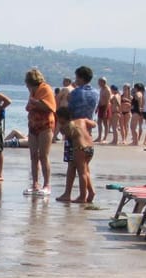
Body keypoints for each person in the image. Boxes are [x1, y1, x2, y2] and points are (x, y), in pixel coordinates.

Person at [58, 66, 99, 202]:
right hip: (87, 132)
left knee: (72, 165)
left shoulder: (75, 93)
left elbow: (69, 109)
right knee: (84, 167)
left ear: (80, 78)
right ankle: (91, 192)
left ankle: (69, 193)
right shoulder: (95, 93)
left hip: (74, 132)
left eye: (77, 78)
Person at [23, 68, 56, 196]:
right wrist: (33, 103)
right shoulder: (32, 91)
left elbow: (50, 107)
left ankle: (47, 184)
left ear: (30, 81)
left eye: (26, 83)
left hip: (45, 125)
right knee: (33, 155)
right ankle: (35, 183)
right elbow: (28, 106)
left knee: (43, 155)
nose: (26, 85)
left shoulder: (45, 89)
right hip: (33, 125)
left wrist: (36, 103)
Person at [55, 107, 96, 204]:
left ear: (62, 118)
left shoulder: (65, 126)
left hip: (79, 149)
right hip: (90, 148)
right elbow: (94, 124)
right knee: (85, 171)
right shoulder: (82, 120)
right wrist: (88, 122)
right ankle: (91, 192)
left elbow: (64, 133)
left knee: (81, 172)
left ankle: (82, 196)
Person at [96, 77, 110, 143]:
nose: (98, 83)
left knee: (105, 123)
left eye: (99, 82)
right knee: (99, 122)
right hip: (101, 107)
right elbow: (100, 99)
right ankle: (99, 137)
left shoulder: (107, 90)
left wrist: (105, 111)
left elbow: (107, 101)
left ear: (103, 82)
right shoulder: (101, 89)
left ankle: (105, 137)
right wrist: (97, 108)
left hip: (105, 107)